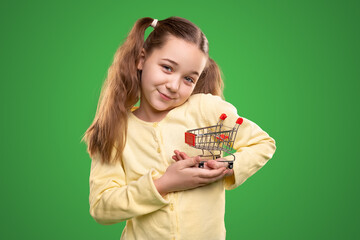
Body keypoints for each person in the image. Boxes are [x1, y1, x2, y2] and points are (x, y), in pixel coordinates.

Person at [83, 16, 276, 240]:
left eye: (188, 79)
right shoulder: (115, 129)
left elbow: (262, 143)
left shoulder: (208, 111)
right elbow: (102, 207)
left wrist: (226, 165)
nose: (173, 86)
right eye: (167, 68)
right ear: (141, 59)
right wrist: (164, 184)